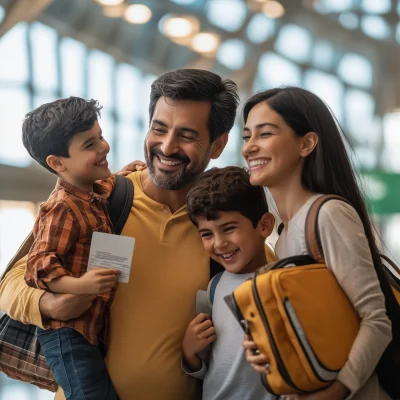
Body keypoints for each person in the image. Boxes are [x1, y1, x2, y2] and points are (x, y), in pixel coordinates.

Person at [0, 69, 239, 400]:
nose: (167, 146)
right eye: (159, 128)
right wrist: (52, 304)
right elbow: (12, 286)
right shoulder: (105, 202)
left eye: (186, 135)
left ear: (218, 144)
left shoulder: (221, 231)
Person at [240, 87, 393, 400]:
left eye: (264, 134)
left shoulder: (328, 214)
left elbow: (377, 320)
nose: (249, 148)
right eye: (246, 136)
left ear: (307, 143)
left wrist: (336, 392)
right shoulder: (283, 236)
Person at [22, 97, 123, 400]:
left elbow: (109, 185)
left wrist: (128, 173)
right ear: (57, 163)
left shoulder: (92, 191)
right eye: (90, 145)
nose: (104, 147)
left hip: (87, 329)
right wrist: (79, 286)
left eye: (101, 136)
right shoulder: (62, 207)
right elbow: (38, 263)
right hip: (66, 334)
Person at [181, 166, 276, 400]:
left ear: (264, 225)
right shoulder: (214, 287)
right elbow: (212, 369)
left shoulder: (282, 284)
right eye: (207, 234)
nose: (219, 243)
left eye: (229, 229)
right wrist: (190, 352)